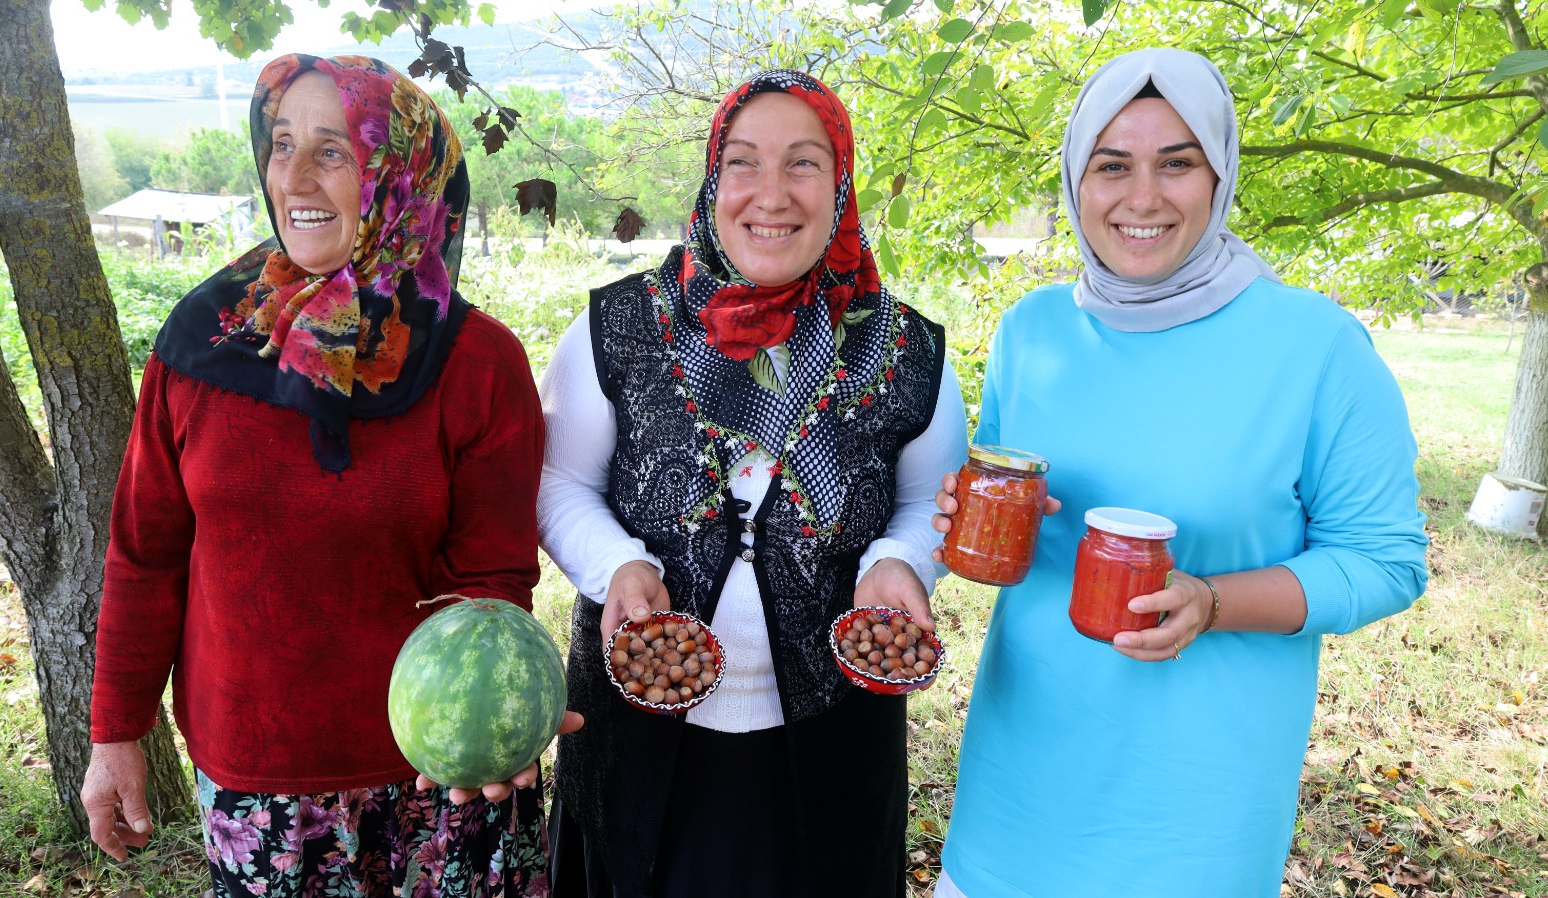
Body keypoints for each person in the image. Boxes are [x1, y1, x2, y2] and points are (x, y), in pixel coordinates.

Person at [929, 47, 1429, 897]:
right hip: (1017, 790)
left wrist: (1213, 602)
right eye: (1111, 165)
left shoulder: (1316, 347)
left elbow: (1386, 562)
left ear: (1221, 173)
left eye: (1177, 163)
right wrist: (969, 521)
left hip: (1197, 809)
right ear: (1074, 178)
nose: (1143, 197)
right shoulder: (1032, 329)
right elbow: (1014, 504)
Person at [81, 54, 566, 898]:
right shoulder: (202, 342)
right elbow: (145, 553)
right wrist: (115, 733)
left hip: (438, 780)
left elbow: (490, 580)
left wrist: (487, 729)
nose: (294, 177)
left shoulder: (478, 364)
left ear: (401, 173)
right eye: (281, 144)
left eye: (334, 150)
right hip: (256, 780)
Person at [538, 69, 969, 898]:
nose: (771, 194)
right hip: (638, 745)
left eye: (803, 162)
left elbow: (928, 503)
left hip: (828, 751)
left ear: (840, 184)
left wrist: (902, 561)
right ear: (713, 177)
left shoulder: (906, 350)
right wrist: (617, 565)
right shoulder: (619, 325)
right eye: (744, 161)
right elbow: (560, 484)